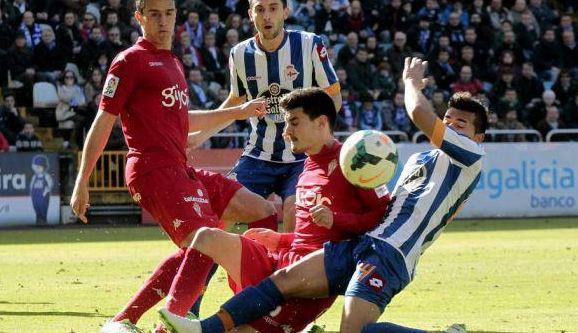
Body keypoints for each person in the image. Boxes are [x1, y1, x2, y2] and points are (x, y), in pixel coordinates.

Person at [159, 57, 489, 333]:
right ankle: (204, 328)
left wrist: (411, 82)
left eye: (461, 124)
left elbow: (419, 115)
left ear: (478, 137)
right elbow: (393, 210)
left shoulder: (470, 157)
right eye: (449, 119)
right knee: (284, 280)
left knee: (354, 332)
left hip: (391, 254)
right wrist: (286, 239)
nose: (451, 126)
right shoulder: (420, 158)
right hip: (363, 244)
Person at [69, 0, 276, 331]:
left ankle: (125, 320)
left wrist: (238, 112)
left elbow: (182, 118)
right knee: (208, 242)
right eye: (154, 14)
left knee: (262, 209)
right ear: (139, 17)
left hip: (181, 169)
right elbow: (104, 120)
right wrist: (82, 180)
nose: (163, 21)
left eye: (168, 13)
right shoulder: (129, 62)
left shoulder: (173, 63)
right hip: (154, 171)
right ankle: (171, 324)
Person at [161, 88, 389, 333]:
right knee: (206, 236)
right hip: (282, 261)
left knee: (241, 330)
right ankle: (170, 322)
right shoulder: (309, 164)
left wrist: (337, 220)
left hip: (309, 281)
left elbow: (382, 218)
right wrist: (280, 239)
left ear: (321, 122)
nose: (286, 132)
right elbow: (308, 237)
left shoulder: (353, 161)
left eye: (293, 122)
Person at [189, 0, 342, 233]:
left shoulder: (310, 45)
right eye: (260, 9)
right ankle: (200, 269)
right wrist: (200, 136)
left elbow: (334, 97)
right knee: (223, 208)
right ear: (251, 14)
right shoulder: (239, 53)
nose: (267, 16)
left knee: (293, 209)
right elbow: (235, 102)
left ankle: (285, 268)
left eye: (273, 8)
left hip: (302, 156)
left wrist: (316, 135)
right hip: (259, 154)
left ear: (286, 11)